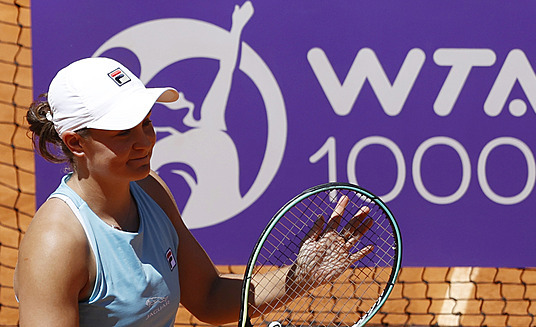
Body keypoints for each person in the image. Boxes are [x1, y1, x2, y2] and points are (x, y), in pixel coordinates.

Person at [14, 57, 372, 327]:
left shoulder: (151, 190)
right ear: (76, 142)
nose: (144, 142)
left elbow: (209, 296)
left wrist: (299, 277)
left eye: (147, 124)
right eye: (124, 131)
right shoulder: (56, 245)